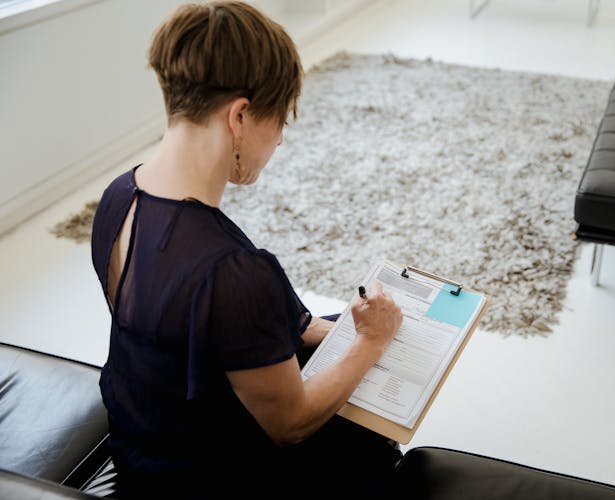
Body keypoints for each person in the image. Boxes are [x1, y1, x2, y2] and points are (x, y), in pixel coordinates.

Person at [90, 2, 404, 498]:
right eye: (280, 120)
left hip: (139, 444)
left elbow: (181, 327)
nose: (278, 141)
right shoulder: (234, 272)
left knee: (329, 324)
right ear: (239, 115)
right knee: (376, 432)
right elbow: (292, 424)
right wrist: (370, 343)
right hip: (205, 476)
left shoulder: (116, 198)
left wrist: (335, 329)